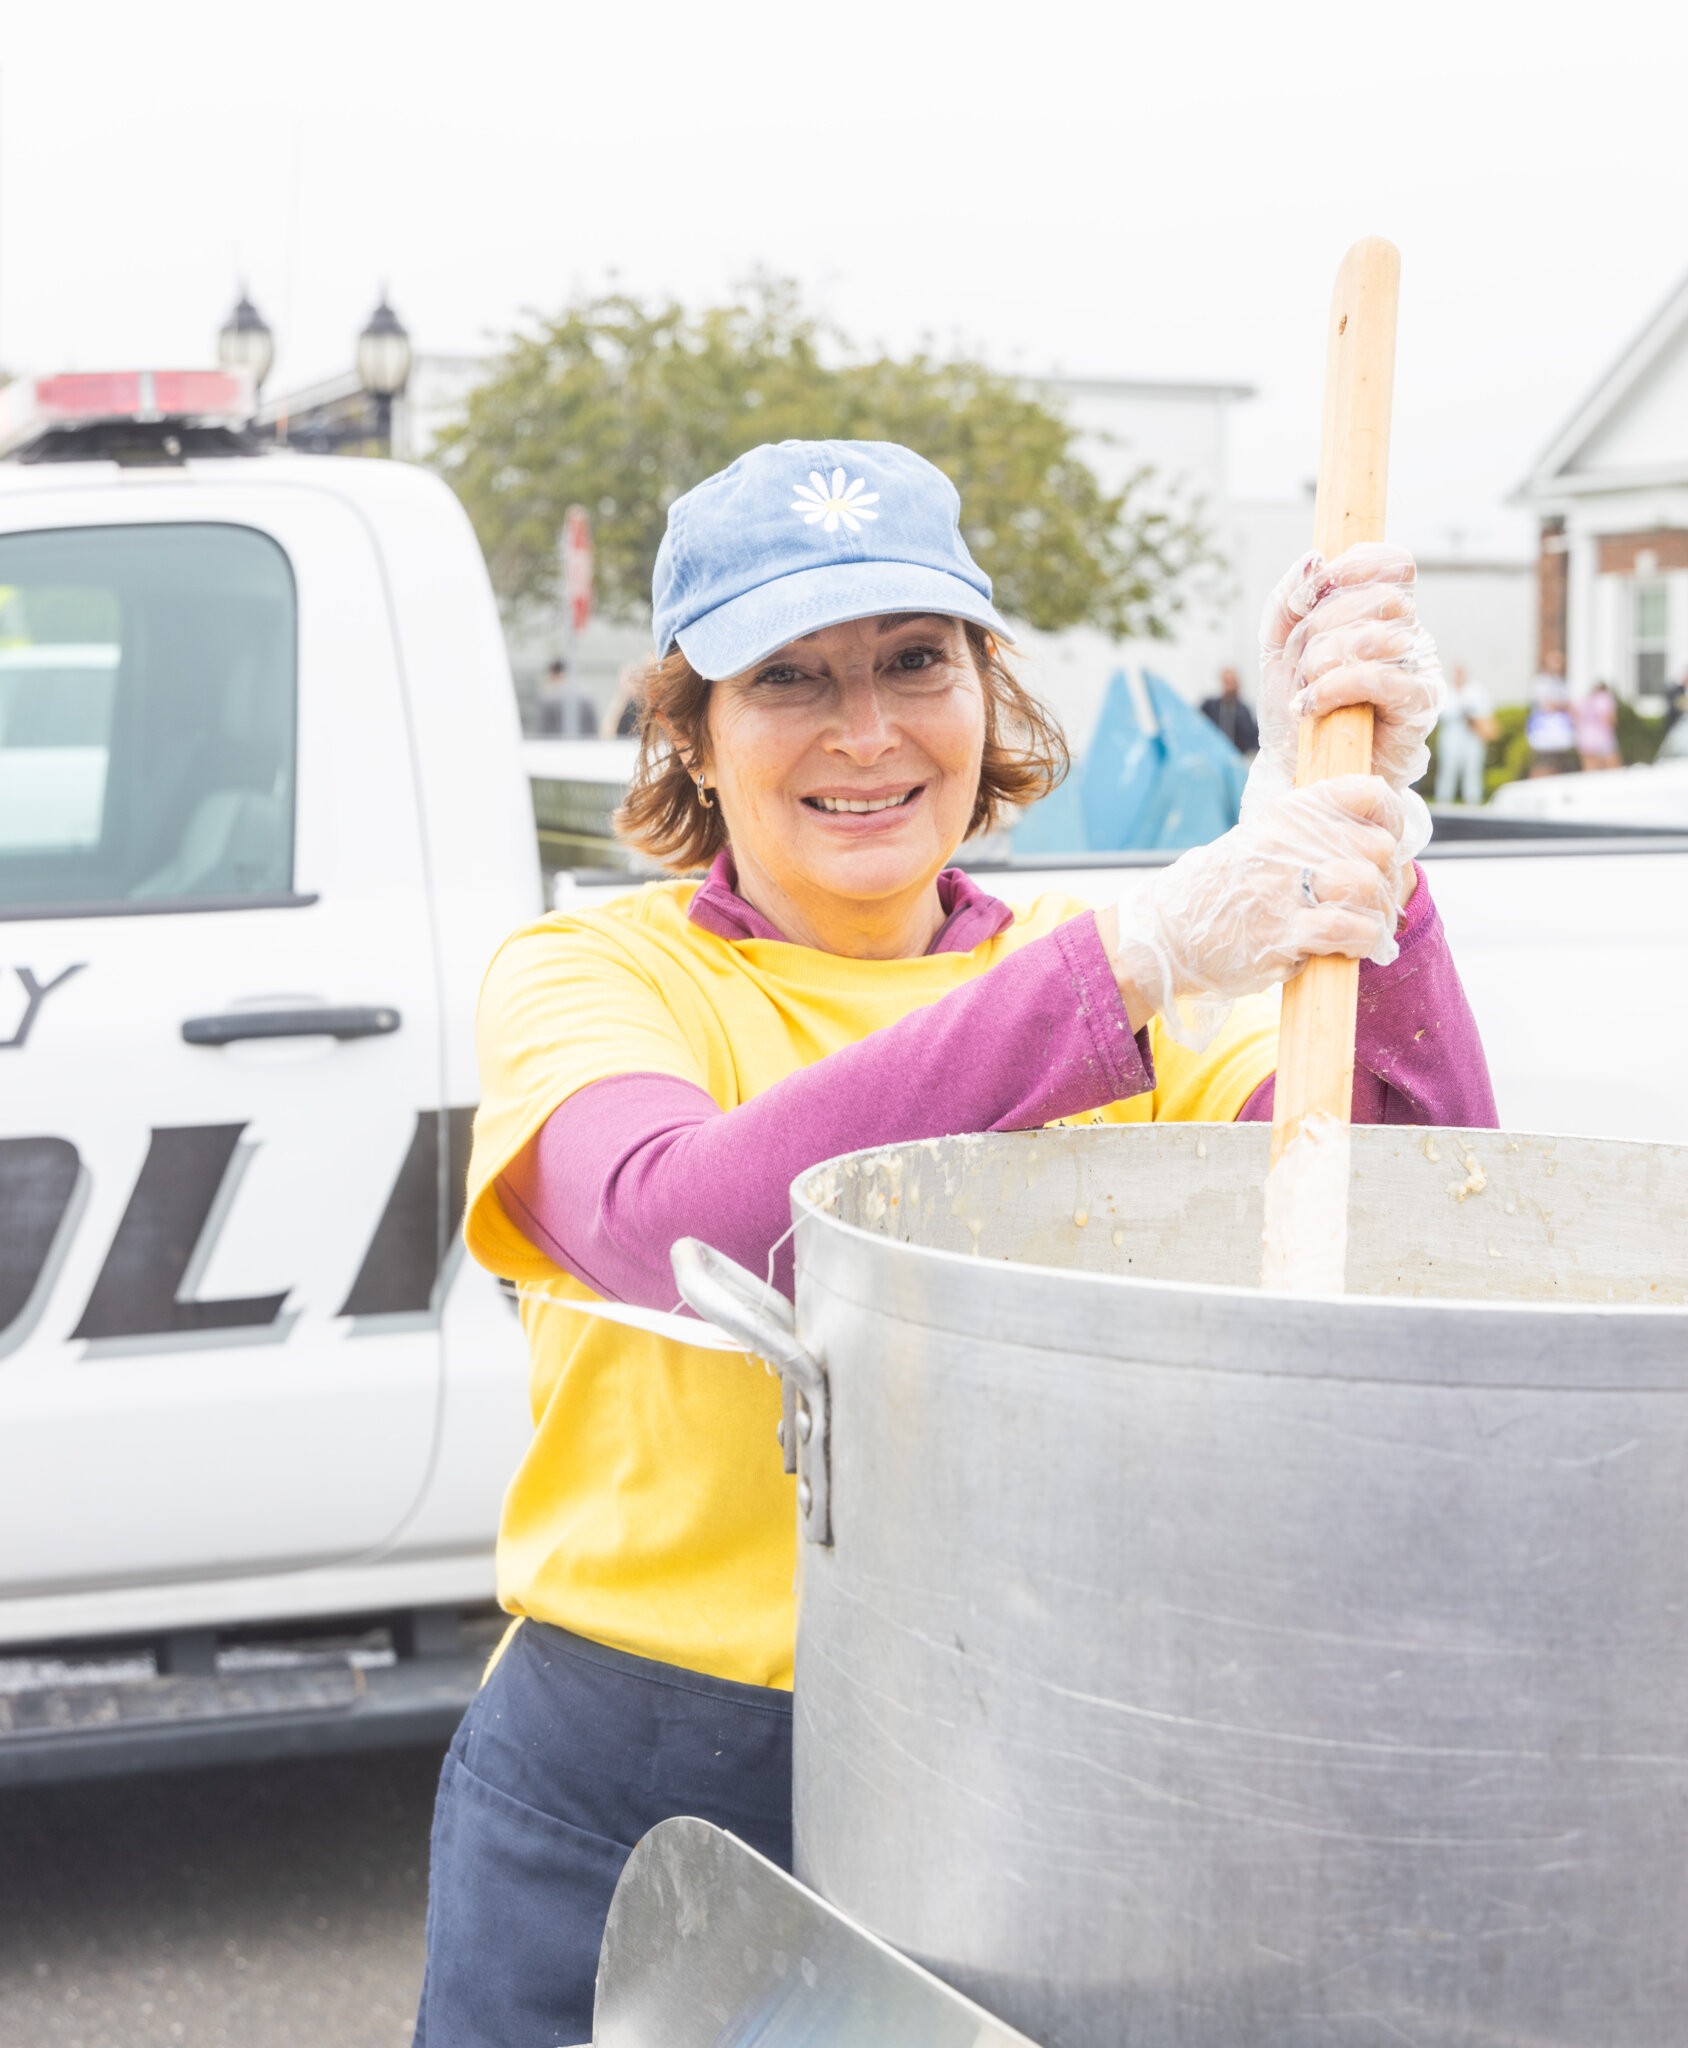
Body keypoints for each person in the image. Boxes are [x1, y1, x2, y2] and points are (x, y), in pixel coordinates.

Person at [412, 439, 1496, 2047]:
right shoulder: (596, 972)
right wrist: (1127, 970)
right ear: (691, 738)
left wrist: (1364, 852)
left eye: (917, 661)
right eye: (788, 677)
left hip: (1028, 1777)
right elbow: (680, 1226)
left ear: (988, 692)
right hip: (637, 1789)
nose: (867, 732)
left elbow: (1403, 1227)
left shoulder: (1129, 985)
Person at [1435, 663, 1496, 805]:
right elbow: (1441, 713)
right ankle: (1443, 800)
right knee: (1448, 768)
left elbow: (1485, 711)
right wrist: (1460, 710)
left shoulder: (1476, 690)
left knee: (1473, 768)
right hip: (1451, 734)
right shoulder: (1446, 690)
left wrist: (1471, 712)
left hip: (1472, 735)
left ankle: (1472, 800)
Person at [1526, 651, 1578, 776]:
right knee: (1543, 761)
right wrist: (1561, 705)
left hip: (1560, 730)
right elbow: (1547, 705)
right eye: (1555, 661)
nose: (1559, 665)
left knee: (1558, 763)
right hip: (1545, 729)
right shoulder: (1540, 682)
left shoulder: (1560, 682)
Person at [1200, 664, 1260, 755]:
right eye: (1227, 682)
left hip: (1237, 758)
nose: (1229, 687)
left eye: (1232, 682)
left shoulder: (1244, 711)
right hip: (1213, 756)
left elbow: (1251, 739)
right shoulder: (1210, 706)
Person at [534, 656, 597, 737]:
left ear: (554, 674)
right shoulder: (587, 697)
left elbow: (542, 732)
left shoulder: (548, 700)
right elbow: (593, 730)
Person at [1574, 679, 1621, 772]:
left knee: (1591, 773)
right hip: (1604, 738)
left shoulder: (1585, 701)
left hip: (1586, 739)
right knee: (1614, 772)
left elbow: (1576, 718)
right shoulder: (1606, 698)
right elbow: (1611, 719)